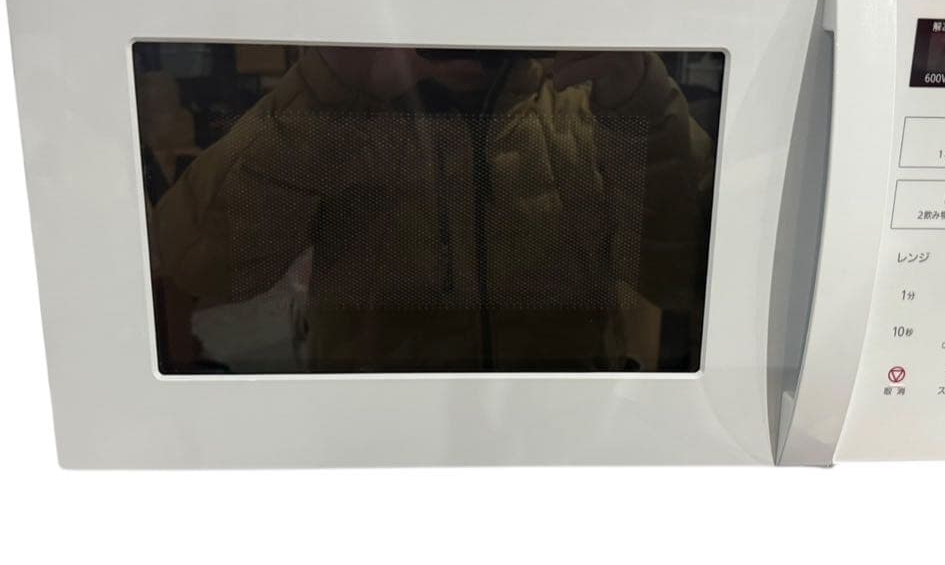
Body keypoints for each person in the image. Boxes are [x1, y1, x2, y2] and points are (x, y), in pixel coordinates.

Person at [150, 46, 715, 372]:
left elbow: (687, 282)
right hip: (384, 436)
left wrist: (639, 92)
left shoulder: (596, 104)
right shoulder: (342, 104)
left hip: (558, 431)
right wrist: (326, 88)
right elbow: (200, 268)